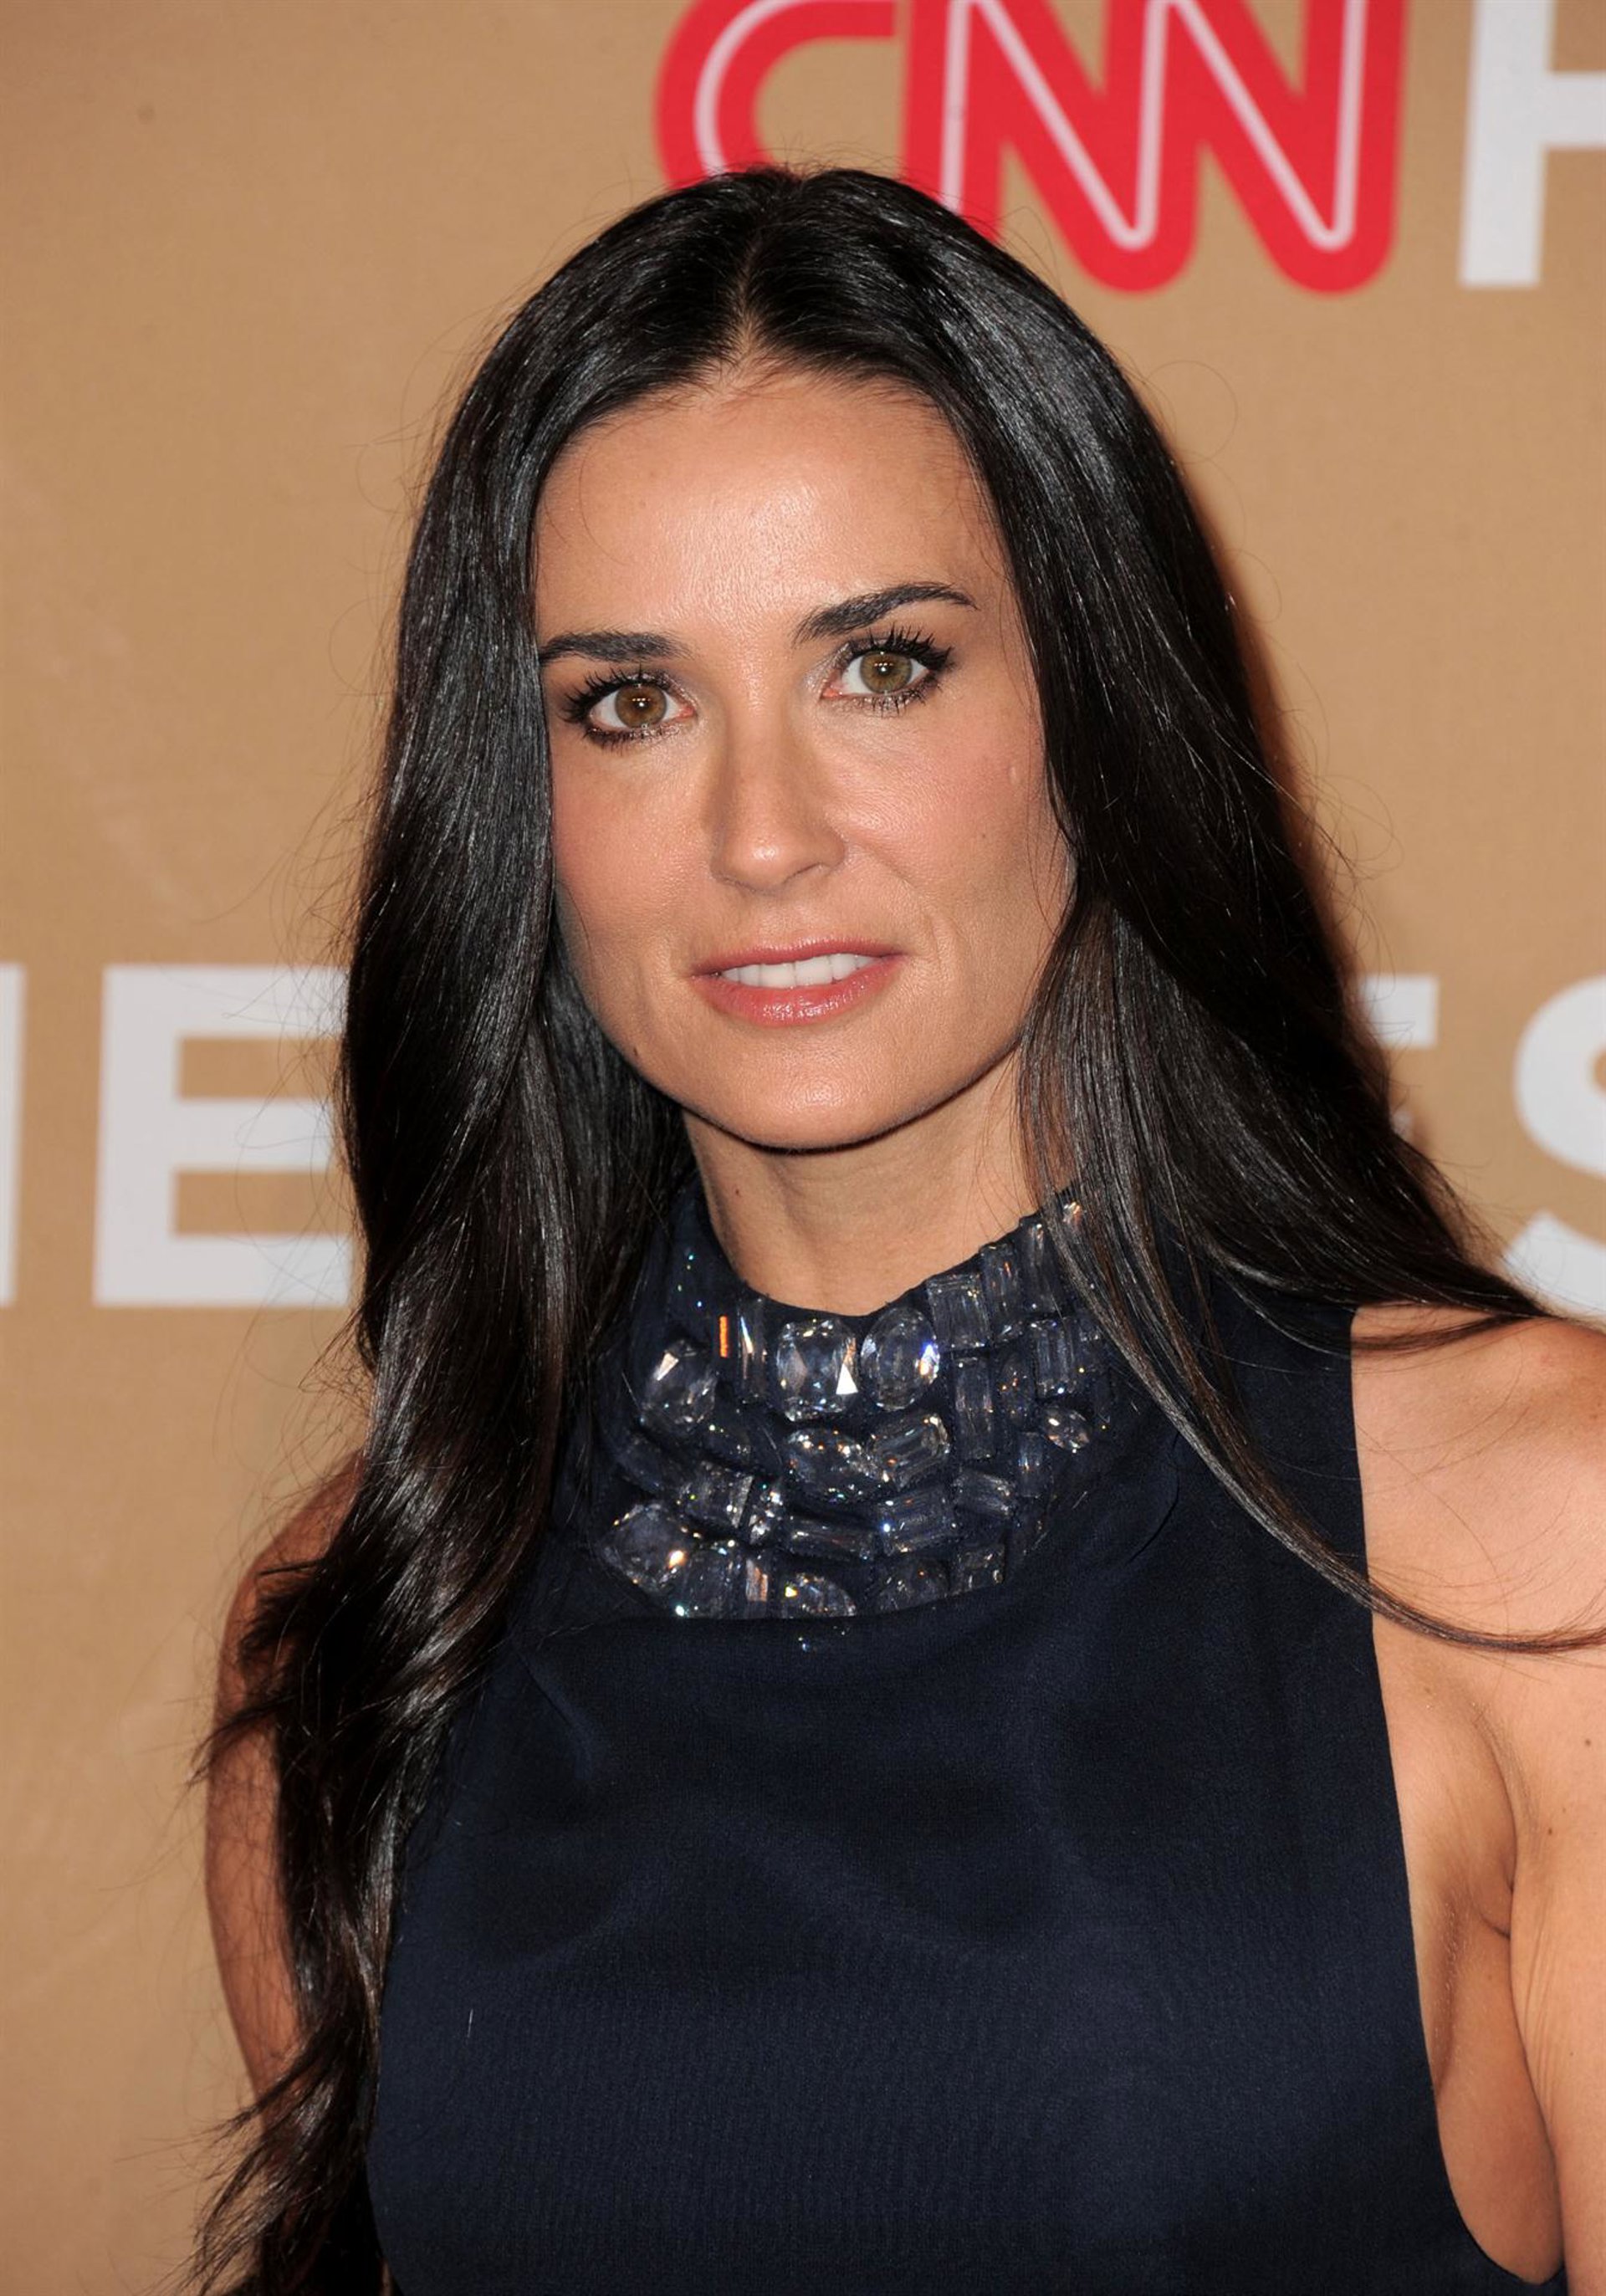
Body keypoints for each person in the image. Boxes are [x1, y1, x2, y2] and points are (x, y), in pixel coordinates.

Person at [197, 166, 1603, 2295]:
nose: (761, 834)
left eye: (882, 664)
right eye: (630, 701)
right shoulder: (370, 1628)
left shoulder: (1534, 1542)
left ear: (1097, 710)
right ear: (523, 804)